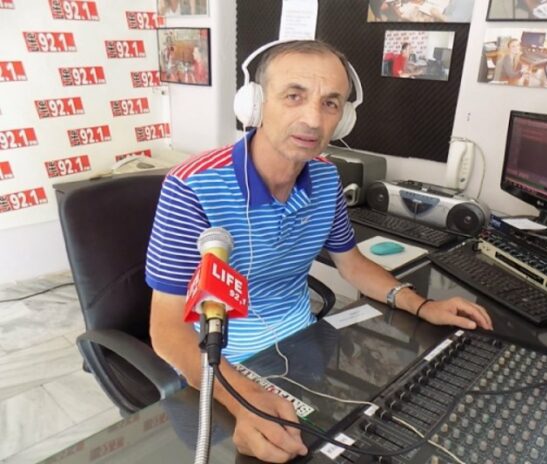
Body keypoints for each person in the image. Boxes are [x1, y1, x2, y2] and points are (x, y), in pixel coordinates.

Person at [145, 40, 492, 463]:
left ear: (344, 117)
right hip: (219, 365)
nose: (313, 119)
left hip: (304, 347)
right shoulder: (192, 185)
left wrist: (421, 305)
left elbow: (353, 264)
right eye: (294, 96)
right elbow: (167, 328)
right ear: (254, 103)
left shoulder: (326, 179)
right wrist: (245, 400)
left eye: (330, 103)